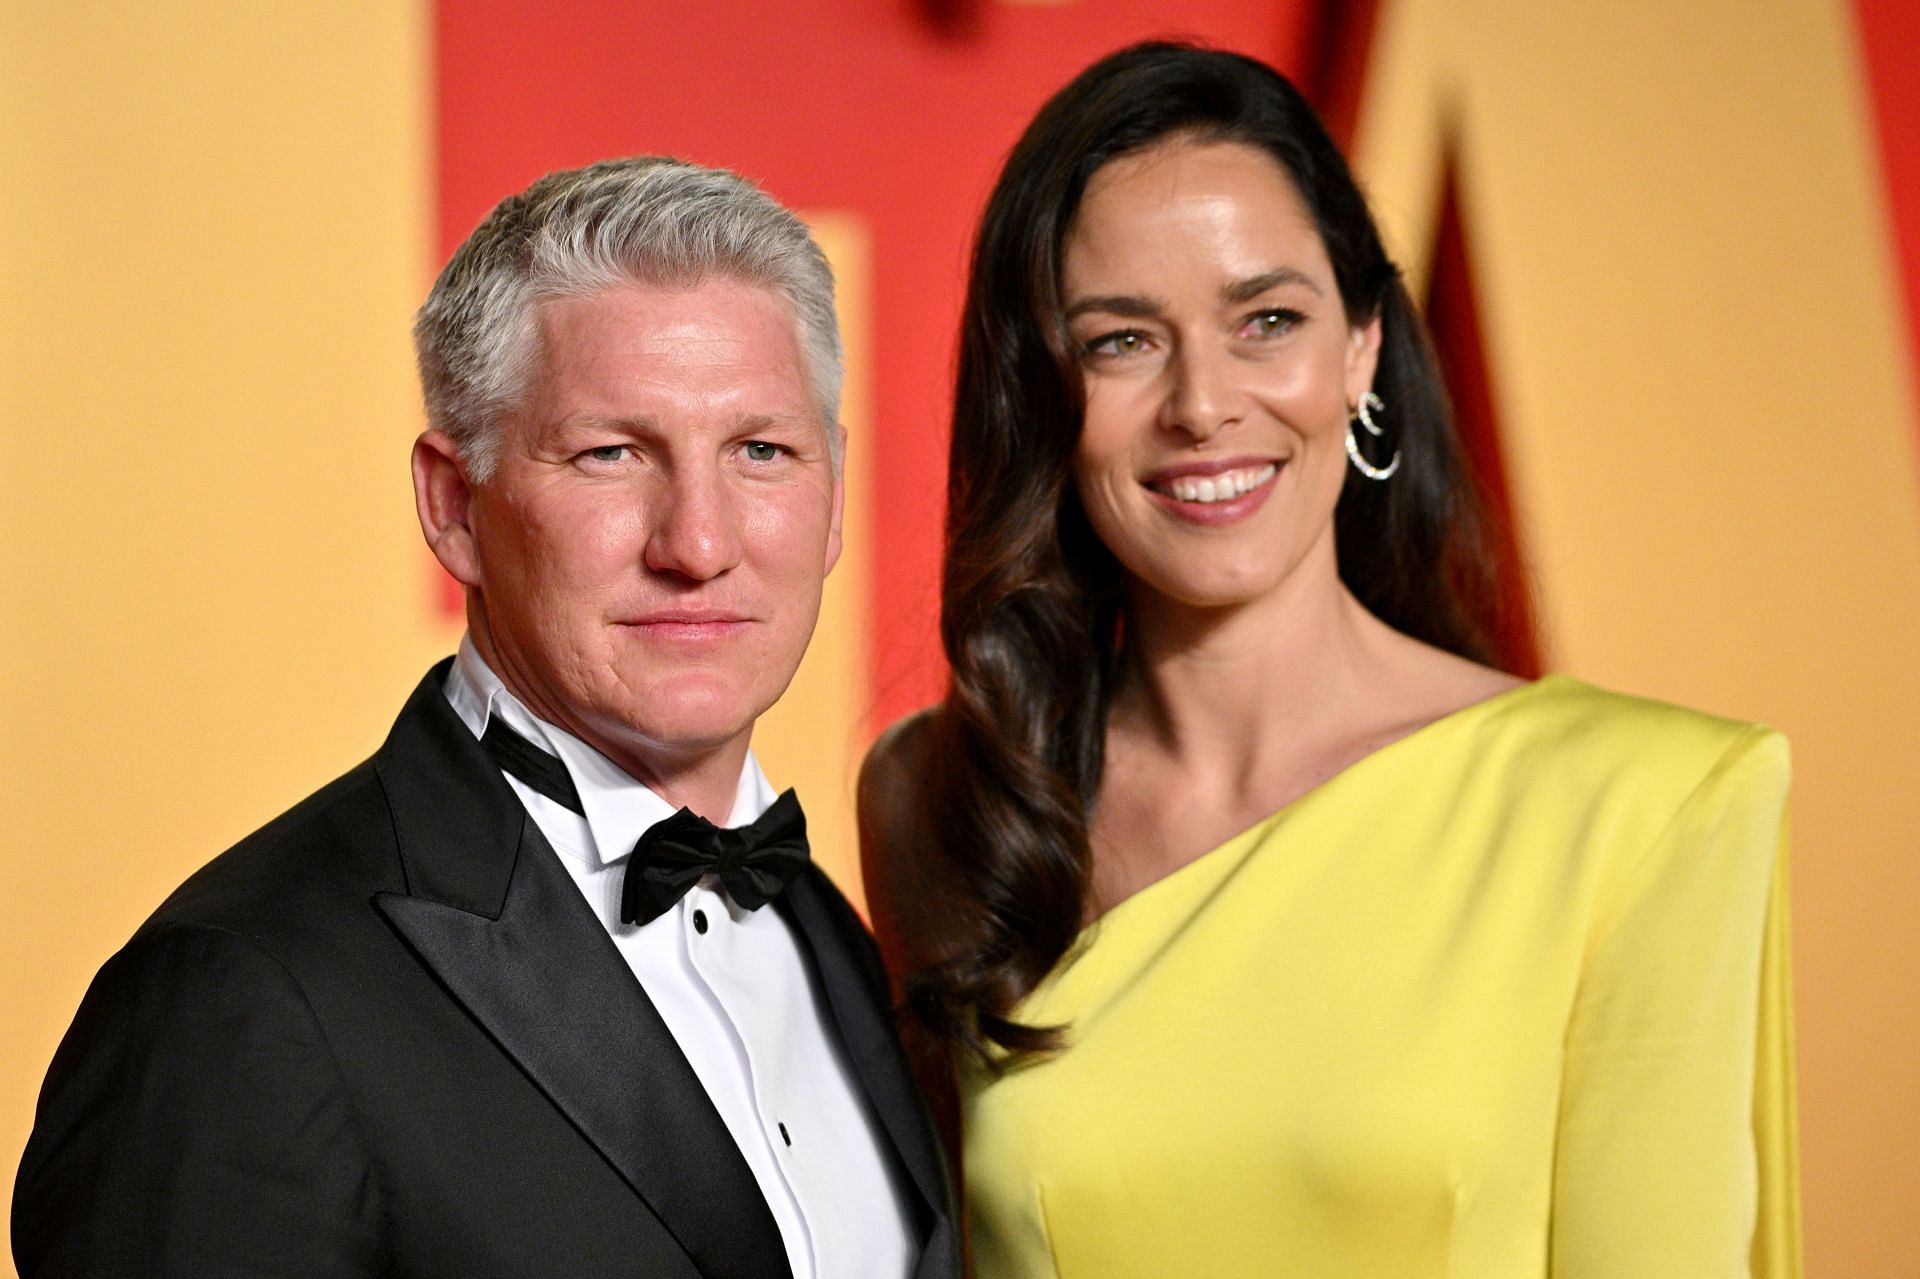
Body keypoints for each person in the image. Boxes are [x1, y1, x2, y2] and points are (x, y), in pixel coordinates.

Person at [860, 43, 1798, 1278]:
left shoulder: (1643, 804)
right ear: (1040, 391)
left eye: (1268, 321)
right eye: (1121, 342)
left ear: (1361, 347)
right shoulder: (945, 797)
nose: (1203, 403)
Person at [16, 157, 959, 1279]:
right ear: (454, 506)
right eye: (612, 454)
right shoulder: (239, 997)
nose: (700, 544)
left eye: (761, 452)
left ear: (834, 493)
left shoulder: (839, 938)